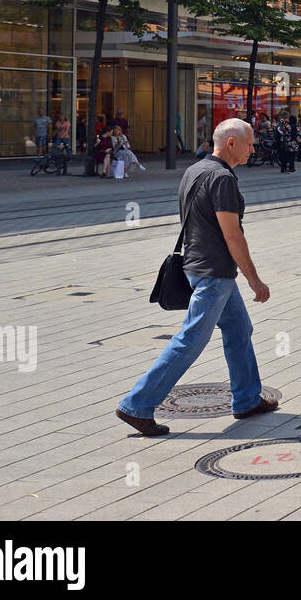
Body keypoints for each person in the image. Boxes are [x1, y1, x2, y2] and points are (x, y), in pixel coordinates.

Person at [115, 118, 276, 437]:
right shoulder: (223, 179)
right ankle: (137, 404)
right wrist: (254, 279)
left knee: (239, 327)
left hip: (198, 264)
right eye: (249, 143)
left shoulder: (196, 170)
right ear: (231, 143)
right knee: (191, 339)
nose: (253, 149)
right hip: (214, 271)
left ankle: (246, 399)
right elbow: (233, 236)